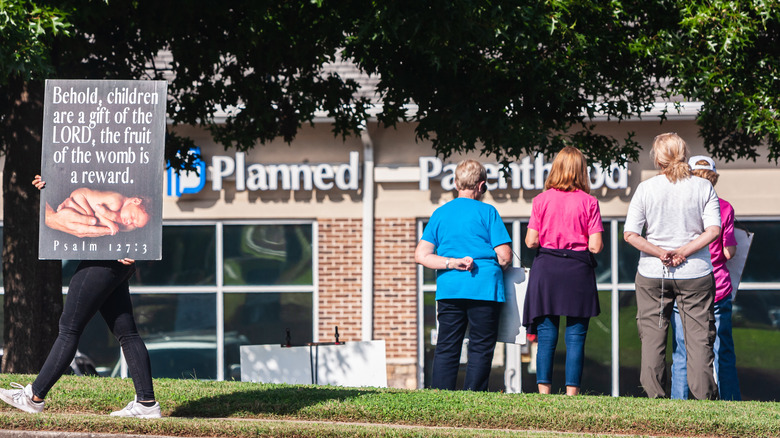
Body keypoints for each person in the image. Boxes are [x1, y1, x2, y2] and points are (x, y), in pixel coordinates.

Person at [0, 175, 161, 418]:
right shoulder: (114, 190)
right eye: (135, 218)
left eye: (137, 225)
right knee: (127, 333)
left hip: (104, 263)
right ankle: (147, 403)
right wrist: (51, 182)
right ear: (135, 201)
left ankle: (34, 397)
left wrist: (130, 246)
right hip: (115, 265)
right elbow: (76, 169)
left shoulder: (123, 200)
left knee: (69, 329)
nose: (131, 223)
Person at [623, 133, 721, 400]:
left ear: (657, 158)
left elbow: (630, 234)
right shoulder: (703, 188)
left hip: (653, 273)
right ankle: (705, 401)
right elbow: (714, 229)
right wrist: (684, 251)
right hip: (696, 273)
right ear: (684, 154)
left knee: (653, 339)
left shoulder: (646, 188)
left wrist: (661, 253)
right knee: (700, 339)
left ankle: (656, 400)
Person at [414, 159, 512, 391]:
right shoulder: (488, 212)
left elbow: (422, 255)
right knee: (480, 346)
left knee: (447, 346)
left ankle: (440, 397)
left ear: (456, 183)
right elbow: (505, 256)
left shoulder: (440, 214)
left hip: (450, 290)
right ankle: (474, 397)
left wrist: (451, 262)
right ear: (481, 185)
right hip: (485, 289)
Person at [522, 147, 603, 396]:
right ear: (581, 171)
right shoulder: (590, 202)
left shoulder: (541, 200)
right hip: (578, 271)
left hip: (547, 270)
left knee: (546, 335)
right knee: (576, 336)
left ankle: (544, 393)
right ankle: (572, 394)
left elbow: (530, 241)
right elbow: (595, 246)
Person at [671, 156, 741, 400]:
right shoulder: (724, 207)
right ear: (714, 178)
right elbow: (728, 251)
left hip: (685, 285)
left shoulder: (679, 205)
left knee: (682, 349)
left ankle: (678, 404)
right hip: (717, 287)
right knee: (722, 349)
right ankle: (730, 400)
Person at [55, 187, 151, 235]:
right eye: (133, 217)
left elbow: (125, 227)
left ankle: (70, 205)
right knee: (90, 217)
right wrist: (111, 224)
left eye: (134, 224)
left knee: (89, 219)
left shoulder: (123, 210)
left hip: (83, 201)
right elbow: (98, 211)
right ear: (135, 201)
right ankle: (70, 203)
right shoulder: (117, 202)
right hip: (81, 197)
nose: (129, 221)